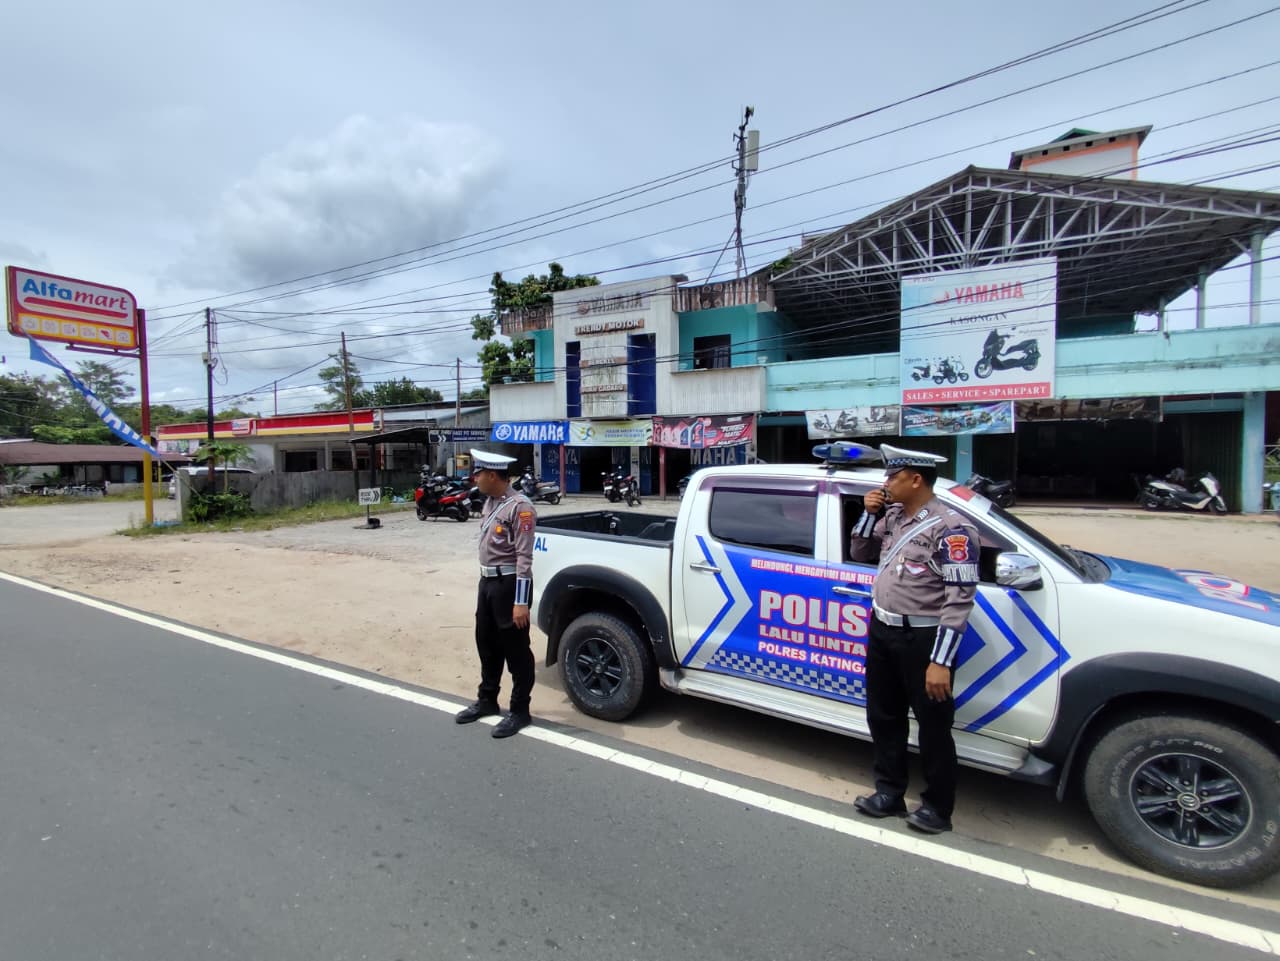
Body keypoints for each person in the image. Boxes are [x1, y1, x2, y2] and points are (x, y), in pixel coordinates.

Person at [848, 443, 980, 834]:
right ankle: (888, 793)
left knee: (933, 726)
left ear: (915, 479)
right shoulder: (891, 517)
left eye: (892, 476)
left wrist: (940, 661)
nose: (885, 482)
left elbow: (959, 600)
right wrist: (869, 515)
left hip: (923, 641)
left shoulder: (952, 529)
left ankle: (938, 808)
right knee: (884, 717)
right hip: (883, 630)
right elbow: (859, 551)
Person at [455, 449, 538, 738]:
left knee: (516, 651)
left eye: (478, 473)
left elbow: (524, 558)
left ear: (492, 475)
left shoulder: (521, 507)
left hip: (510, 585)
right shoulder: (490, 502)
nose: (474, 478)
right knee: (487, 644)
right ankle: (487, 700)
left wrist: (520, 601)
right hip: (488, 584)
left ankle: (519, 710)